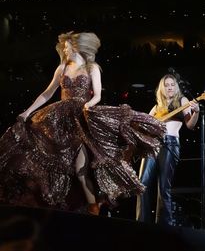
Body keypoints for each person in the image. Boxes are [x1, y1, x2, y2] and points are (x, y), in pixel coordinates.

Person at [0, 31, 165, 216]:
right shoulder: (62, 67)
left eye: (67, 47)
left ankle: (93, 206)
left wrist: (88, 105)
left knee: (80, 168)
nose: (65, 50)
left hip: (80, 117)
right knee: (51, 158)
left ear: (76, 47)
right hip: (58, 117)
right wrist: (28, 111)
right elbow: (47, 93)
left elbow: (98, 95)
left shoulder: (92, 67)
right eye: (64, 47)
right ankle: (60, 203)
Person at [136, 74, 199, 226]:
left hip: (170, 144)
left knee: (164, 186)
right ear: (162, 89)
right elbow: (144, 125)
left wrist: (196, 112)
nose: (170, 87)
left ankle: (165, 226)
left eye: (172, 84)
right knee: (141, 182)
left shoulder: (182, 101)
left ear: (176, 86)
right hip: (152, 144)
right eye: (166, 85)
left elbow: (190, 125)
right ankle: (140, 223)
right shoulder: (157, 106)